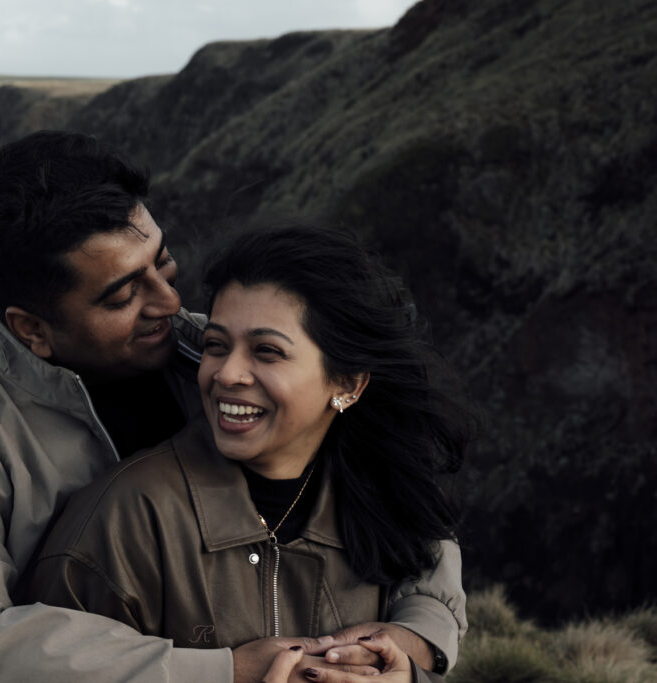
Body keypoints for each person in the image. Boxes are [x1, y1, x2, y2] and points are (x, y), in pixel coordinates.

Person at [0, 131, 466, 682]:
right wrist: (222, 673)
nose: (170, 301)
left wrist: (411, 639)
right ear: (34, 329)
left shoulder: (208, 353)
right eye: (124, 293)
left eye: (160, 260)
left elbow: (400, 491)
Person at [27, 226, 473, 682]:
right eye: (216, 345)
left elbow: (433, 603)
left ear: (347, 384)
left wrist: (408, 673)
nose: (227, 374)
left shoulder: (388, 491)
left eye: (266, 351)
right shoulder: (126, 520)